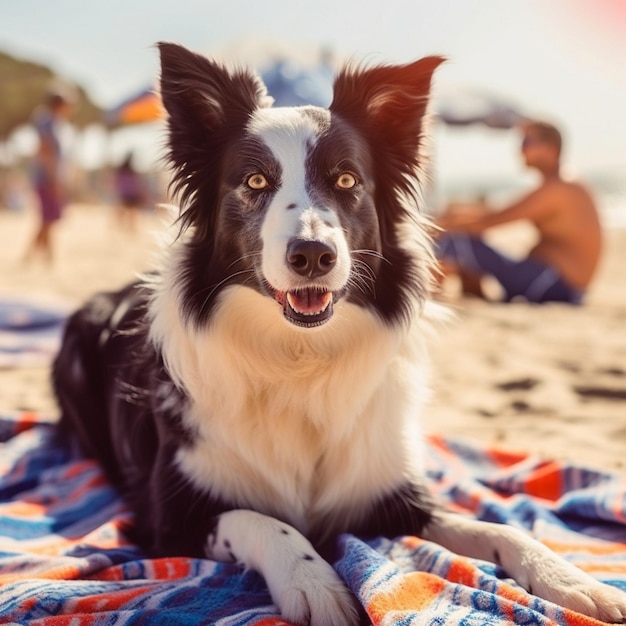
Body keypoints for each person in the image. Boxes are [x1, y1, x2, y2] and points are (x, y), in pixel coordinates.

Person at [435, 121, 602, 304]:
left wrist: (437, 226)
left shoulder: (558, 187)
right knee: (466, 245)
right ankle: (462, 294)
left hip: (552, 286)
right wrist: (456, 215)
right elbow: (495, 213)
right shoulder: (563, 182)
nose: (520, 151)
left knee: (457, 242)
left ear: (550, 149)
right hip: (557, 286)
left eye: (526, 143)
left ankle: (426, 297)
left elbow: (490, 221)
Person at [24, 87, 75, 264]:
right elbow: (45, 152)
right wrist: (53, 180)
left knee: (48, 218)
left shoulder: (53, 123)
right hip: (46, 178)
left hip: (48, 178)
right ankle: (44, 257)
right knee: (48, 217)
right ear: (59, 105)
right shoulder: (47, 122)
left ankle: (36, 256)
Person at [114, 153, 146, 232]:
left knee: (124, 210)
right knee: (131, 211)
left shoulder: (120, 171)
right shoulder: (132, 171)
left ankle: (121, 225)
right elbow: (137, 183)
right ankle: (130, 226)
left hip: (124, 193)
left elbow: (117, 182)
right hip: (132, 193)